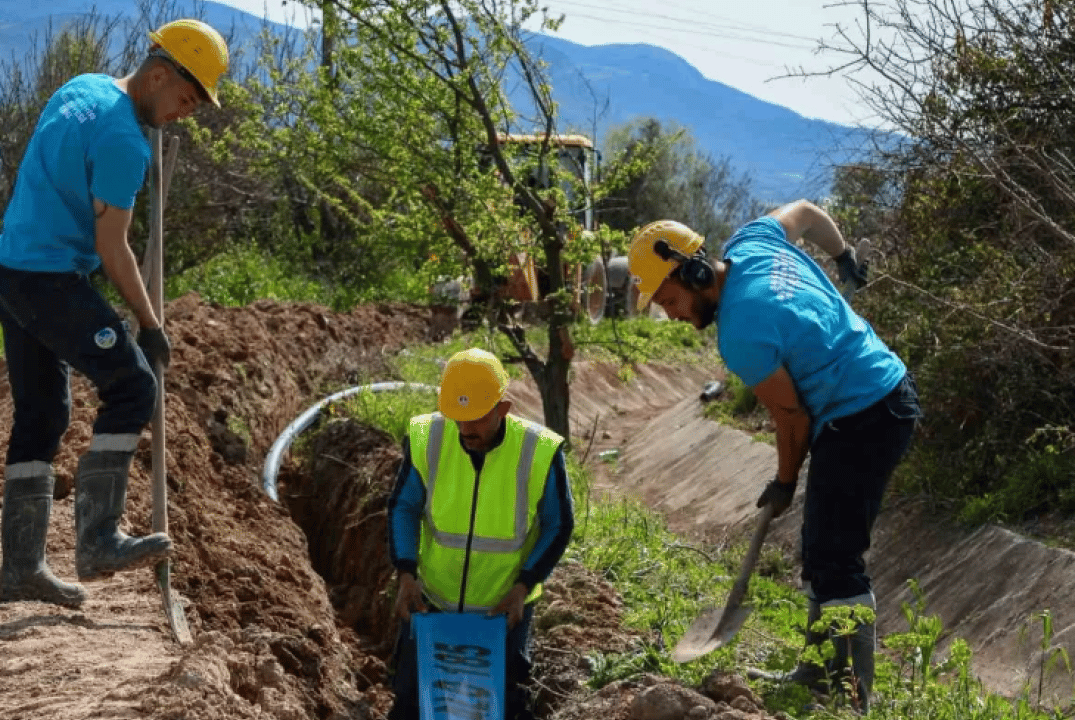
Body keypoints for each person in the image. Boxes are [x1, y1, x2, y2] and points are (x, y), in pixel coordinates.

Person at [627, 201, 921, 713]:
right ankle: (815, 672)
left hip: (867, 414)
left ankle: (855, 700)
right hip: (872, 396)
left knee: (836, 558)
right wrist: (843, 254)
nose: (671, 314)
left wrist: (784, 481)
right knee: (820, 545)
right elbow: (806, 212)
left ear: (693, 273)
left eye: (669, 299)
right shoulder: (753, 242)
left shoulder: (741, 332)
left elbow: (793, 421)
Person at [0, 19, 229, 608]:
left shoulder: (84, 87)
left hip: (8, 268)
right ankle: (97, 540)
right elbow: (114, 247)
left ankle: (21, 571)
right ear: (161, 75)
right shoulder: (124, 142)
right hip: (46, 279)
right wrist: (149, 324)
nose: (185, 114)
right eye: (186, 99)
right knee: (132, 386)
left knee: (43, 414)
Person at [386, 348, 575, 720]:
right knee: (412, 703)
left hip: (502, 614)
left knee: (500, 706)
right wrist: (406, 574)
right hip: (434, 604)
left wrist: (523, 587)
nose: (465, 429)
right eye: (457, 418)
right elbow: (403, 507)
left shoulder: (538, 450)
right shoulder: (430, 438)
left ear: (503, 408)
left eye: (476, 418)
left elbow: (559, 523)